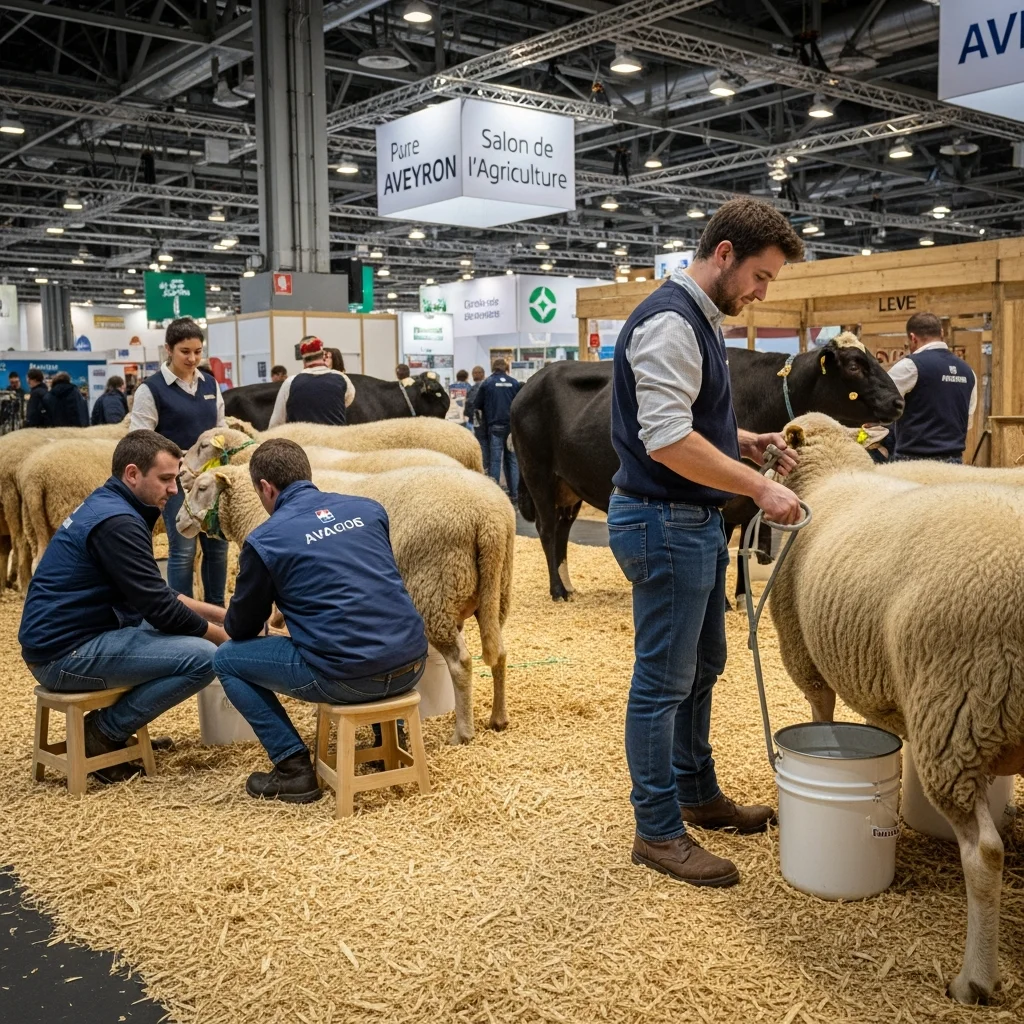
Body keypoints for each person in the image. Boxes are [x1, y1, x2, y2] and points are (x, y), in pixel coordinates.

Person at [609, 197, 804, 888]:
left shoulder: (697, 318)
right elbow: (664, 440)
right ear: (724, 254)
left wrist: (743, 441)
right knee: (661, 684)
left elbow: (684, 421)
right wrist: (756, 487)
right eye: (761, 276)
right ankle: (657, 831)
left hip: (684, 522)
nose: (760, 292)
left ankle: (697, 793)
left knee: (702, 668)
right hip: (663, 521)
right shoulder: (671, 321)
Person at [212, 439, 427, 803]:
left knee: (226, 660)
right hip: (412, 664)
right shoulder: (369, 509)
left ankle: (293, 770)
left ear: (265, 488)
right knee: (364, 621)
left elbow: (240, 629)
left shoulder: (265, 540)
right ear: (307, 474)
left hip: (348, 679)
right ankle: (389, 735)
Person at [19, 431, 227, 784]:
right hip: (63, 655)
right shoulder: (118, 522)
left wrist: (223, 615)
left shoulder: (111, 504)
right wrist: (225, 637)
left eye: (175, 479)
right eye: (165, 479)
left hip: (80, 635)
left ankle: (114, 728)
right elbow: (161, 608)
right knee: (204, 656)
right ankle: (103, 733)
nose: (174, 490)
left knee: (180, 638)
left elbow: (153, 593)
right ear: (132, 474)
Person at [130, 317, 229, 607]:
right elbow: (140, 439)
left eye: (198, 351)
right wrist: (175, 466)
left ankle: (216, 612)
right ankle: (182, 614)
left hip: (211, 479)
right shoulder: (151, 390)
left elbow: (220, 428)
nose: (193, 358)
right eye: (185, 351)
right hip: (175, 482)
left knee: (218, 547)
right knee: (183, 549)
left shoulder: (209, 383)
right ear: (168, 350)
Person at [887, 312, 976, 463]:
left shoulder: (909, 366)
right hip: (953, 463)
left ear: (913, 338)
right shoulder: (968, 371)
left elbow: (881, 403)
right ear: (941, 333)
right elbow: (968, 423)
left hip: (913, 462)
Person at [267, 336, 352, 428]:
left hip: (301, 440)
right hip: (334, 439)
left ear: (303, 360)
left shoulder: (290, 382)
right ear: (323, 356)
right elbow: (345, 403)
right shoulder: (343, 379)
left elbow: (276, 422)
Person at [476, 358, 521, 501]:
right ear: (506, 368)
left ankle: (494, 494)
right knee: (512, 460)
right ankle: (515, 494)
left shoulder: (487, 383)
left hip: (494, 426)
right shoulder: (514, 383)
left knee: (495, 460)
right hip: (511, 429)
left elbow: (477, 405)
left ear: (493, 368)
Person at [464, 365, 487, 458]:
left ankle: (484, 465)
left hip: (478, 419)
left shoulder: (476, 388)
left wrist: (468, 416)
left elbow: (471, 404)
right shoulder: (486, 385)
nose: (474, 375)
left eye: (474, 373)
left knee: (481, 444)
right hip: (486, 419)